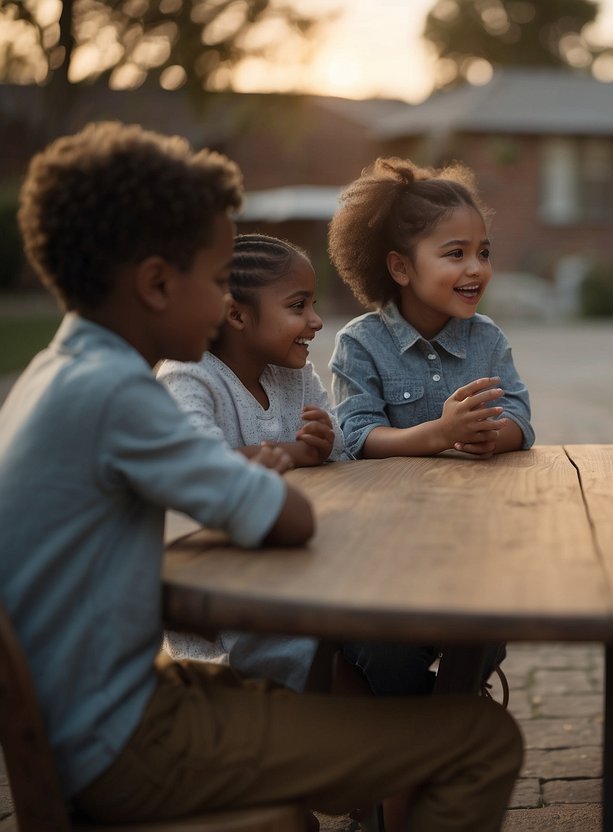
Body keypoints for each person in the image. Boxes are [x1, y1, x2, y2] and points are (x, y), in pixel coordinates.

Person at [0, 121, 521, 831]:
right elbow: (287, 517)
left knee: (319, 781)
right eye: (218, 282)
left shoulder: (54, 375)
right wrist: (278, 478)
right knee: (479, 739)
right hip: (121, 737)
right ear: (156, 284)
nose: (227, 307)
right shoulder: (120, 393)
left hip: (113, 705)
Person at [327, 157, 527, 697]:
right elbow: (357, 436)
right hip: (381, 550)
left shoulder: (487, 340)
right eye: (454, 253)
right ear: (400, 268)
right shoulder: (360, 343)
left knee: (487, 630)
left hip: (470, 541)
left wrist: (495, 434)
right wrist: (438, 434)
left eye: (483, 253)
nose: (476, 268)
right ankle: (409, 730)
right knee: (385, 651)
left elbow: (521, 419)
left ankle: (454, 707)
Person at [157, 233, 342, 693]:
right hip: (231, 627)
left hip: (300, 574)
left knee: (388, 644)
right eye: (298, 306)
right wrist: (298, 452)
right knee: (365, 662)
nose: (316, 321)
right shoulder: (189, 375)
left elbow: (339, 442)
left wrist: (327, 439)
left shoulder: (292, 372)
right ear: (237, 314)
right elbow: (197, 465)